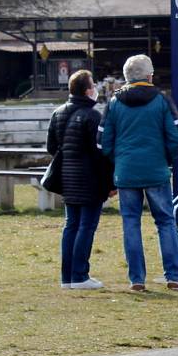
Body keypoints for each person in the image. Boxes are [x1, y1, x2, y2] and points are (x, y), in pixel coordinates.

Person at [98, 55, 178, 292]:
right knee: (166, 222)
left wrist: (119, 161)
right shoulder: (161, 100)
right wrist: (167, 160)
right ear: (150, 76)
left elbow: (103, 142)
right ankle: (173, 277)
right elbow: (176, 137)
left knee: (131, 224)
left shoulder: (114, 102)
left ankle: (137, 279)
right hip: (156, 170)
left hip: (126, 172)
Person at [47, 69, 114, 290]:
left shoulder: (58, 113)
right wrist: (110, 184)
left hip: (67, 178)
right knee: (86, 226)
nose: (95, 89)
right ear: (88, 90)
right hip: (89, 180)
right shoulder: (93, 116)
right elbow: (101, 153)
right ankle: (80, 275)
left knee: (71, 226)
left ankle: (67, 276)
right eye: (93, 85)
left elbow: (51, 147)